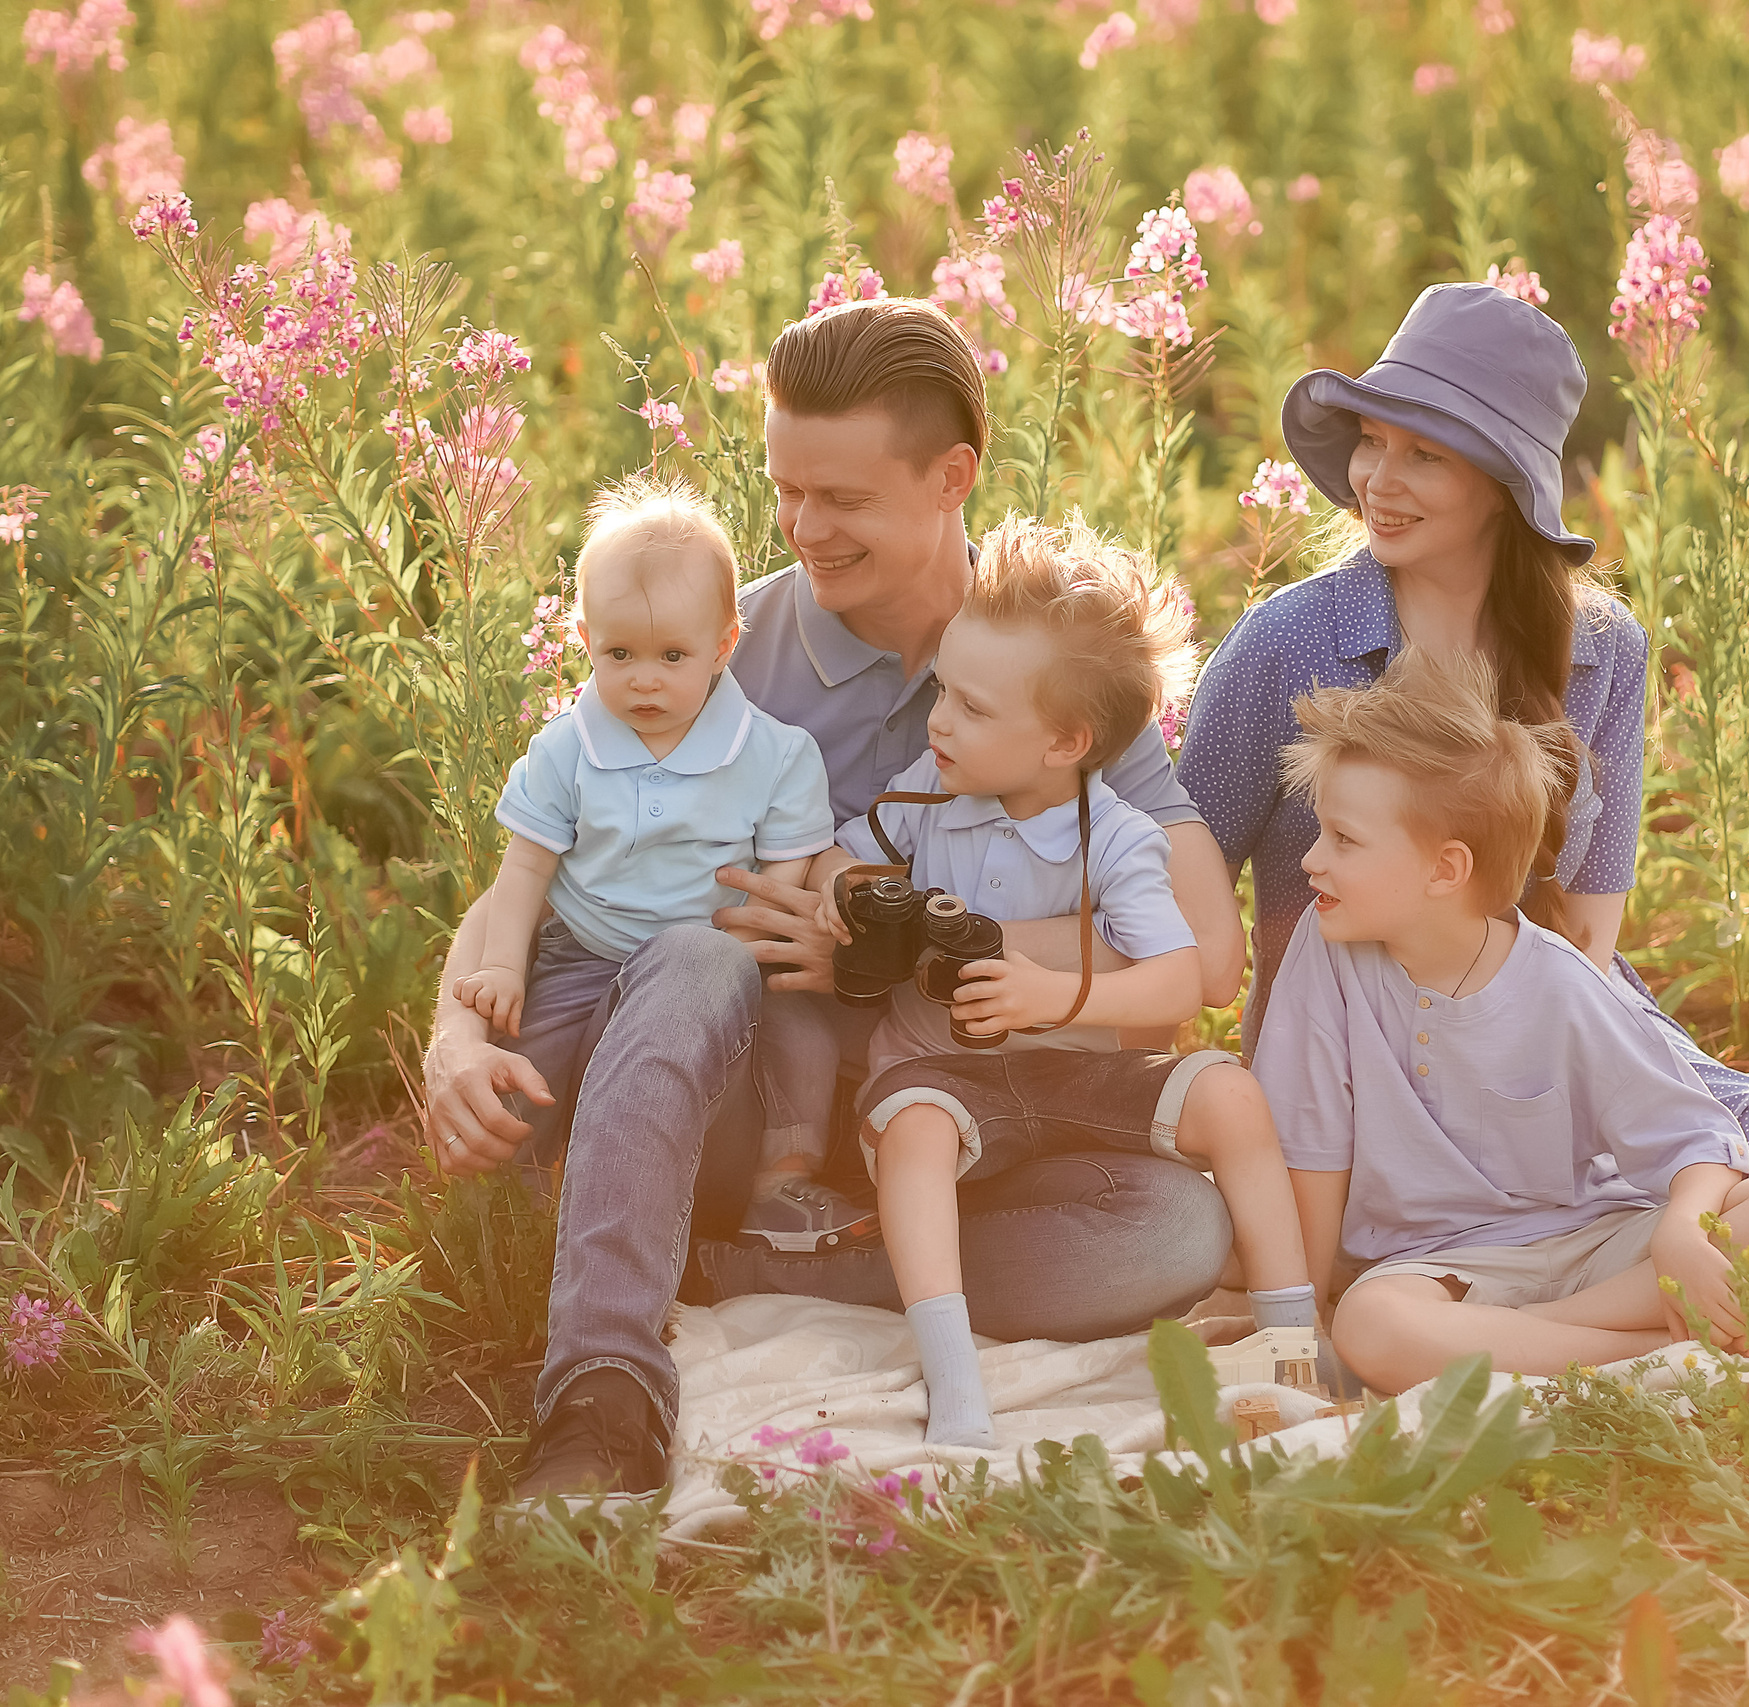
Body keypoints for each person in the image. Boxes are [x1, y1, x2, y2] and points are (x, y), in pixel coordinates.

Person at [422, 298, 1245, 1504]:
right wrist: (453, 1033)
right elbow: (539, 863)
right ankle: (603, 1385)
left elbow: (1203, 961)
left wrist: (893, 937)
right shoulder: (716, 648)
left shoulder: (1047, 661)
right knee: (697, 953)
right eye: (785, 489)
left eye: (842, 499)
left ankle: (766, 1274)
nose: (803, 527)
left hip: (966, 1122)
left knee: (1173, 1232)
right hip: (739, 1110)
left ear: (952, 476)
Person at [1177, 281, 1749, 1307]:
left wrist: (1533, 1100)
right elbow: (1169, 874)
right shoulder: (1285, 646)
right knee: (1394, 1267)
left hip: (1549, 1032)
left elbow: (1584, 926)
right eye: (1370, 442)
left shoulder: (1601, 651)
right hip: (1348, 1062)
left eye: (1424, 454)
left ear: (1501, 482)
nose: (1376, 479)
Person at [809, 515, 1313, 1446]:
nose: (941, 721)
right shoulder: (930, 790)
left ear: (1064, 741)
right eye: (942, 692)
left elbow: (1178, 981)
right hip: (943, 1082)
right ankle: (954, 1379)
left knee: (1231, 1097)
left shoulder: (1117, 835)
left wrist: (1057, 997)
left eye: (973, 707)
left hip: (1075, 1084)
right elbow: (840, 861)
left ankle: (1289, 1355)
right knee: (916, 1129)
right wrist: (844, 894)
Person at [1254, 653, 1749, 1392]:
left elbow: (1696, 1137)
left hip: (1592, 1244)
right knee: (1370, 1324)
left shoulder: (1559, 982)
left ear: (1445, 870)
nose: (1311, 859)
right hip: (1444, 1274)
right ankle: (1641, 1349)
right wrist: (1299, 1321)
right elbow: (1309, 1143)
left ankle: (1544, 1340)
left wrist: (1683, 1229)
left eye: (1343, 839)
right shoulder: (1327, 948)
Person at [453, 476, 864, 1258]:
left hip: (718, 964)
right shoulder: (567, 748)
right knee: (527, 1061)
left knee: (801, 1047)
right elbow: (526, 868)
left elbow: (783, 881)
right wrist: (504, 965)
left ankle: (777, 1187)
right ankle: (518, 1206)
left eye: (672, 654)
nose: (644, 678)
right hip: (586, 951)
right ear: (584, 639)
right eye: (620, 653)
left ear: (723, 642)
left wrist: (783, 935)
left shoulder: (775, 756)